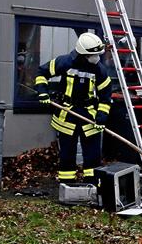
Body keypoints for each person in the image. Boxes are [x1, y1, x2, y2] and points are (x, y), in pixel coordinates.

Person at [34, 32, 112, 184]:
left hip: (89, 116)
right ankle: (67, 185)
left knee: (93, 154)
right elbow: (41, 72)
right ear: (83, 54)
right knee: (67, 153)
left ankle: (92, 184)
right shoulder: (65, 62)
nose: (97, 57)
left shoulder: (100, 70)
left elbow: (105, 96)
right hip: (67, 114)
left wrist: (102, 115)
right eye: (94, 54)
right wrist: (43, 92)